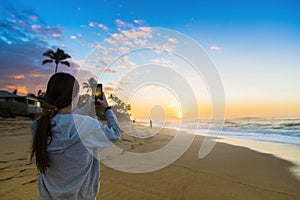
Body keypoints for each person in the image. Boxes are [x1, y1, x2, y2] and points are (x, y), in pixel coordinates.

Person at [30, 72, 121, 200]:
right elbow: (115, 133)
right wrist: (107, 109)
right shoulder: (88, 126)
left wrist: (86, 106)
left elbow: (64, 120)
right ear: (74, 97)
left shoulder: (38, 126)